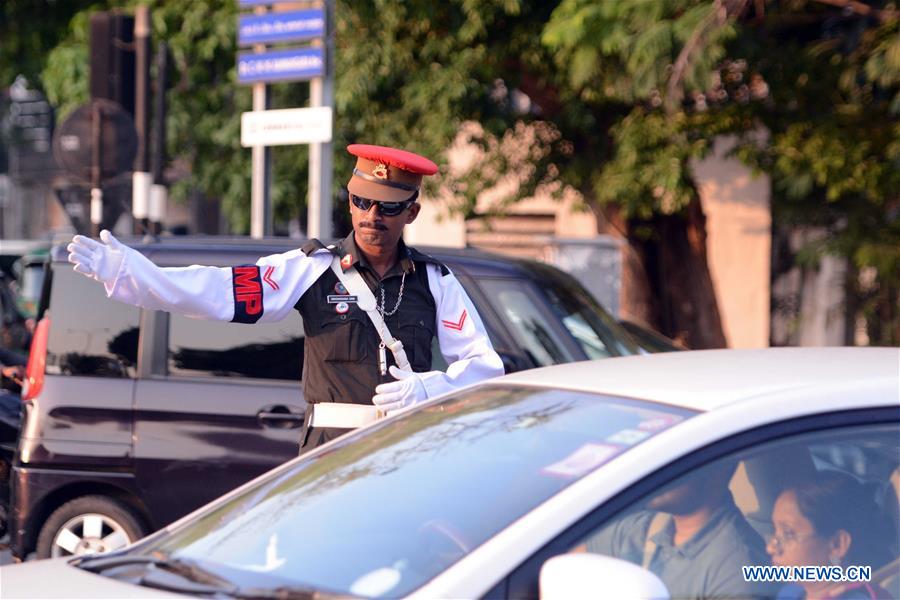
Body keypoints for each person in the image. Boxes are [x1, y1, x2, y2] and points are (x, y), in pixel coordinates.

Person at [67, 144, 505, 452]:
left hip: (407, 447)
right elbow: (218, 292)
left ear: (412, 211)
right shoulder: (311, 268)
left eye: (388, 207)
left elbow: (484, 366)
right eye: (362, 201)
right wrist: (135, 274)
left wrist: (435, 387)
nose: (372, 216)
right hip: (330, 451)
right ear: (350, 204)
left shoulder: (435, 280)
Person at [585, 461, 775, 599]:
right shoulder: (642, 528)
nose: (659, 470)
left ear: (719, 469)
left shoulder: (736, 570)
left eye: (676, 463)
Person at [768, 472, 895, 600]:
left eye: (788, 534)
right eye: (774, 530)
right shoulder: (792, 591)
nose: (770, 548)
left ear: (837, 544)